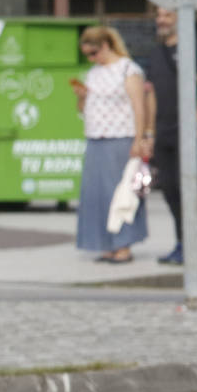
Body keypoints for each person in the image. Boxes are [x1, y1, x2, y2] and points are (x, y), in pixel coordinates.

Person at [143, 6, 197, 265]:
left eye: (167, 15)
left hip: (186, 133)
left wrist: (196, 123)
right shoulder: (156, 52)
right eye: (159, 15)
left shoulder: (193, 49)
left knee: (188, 191)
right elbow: (151, 95)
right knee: (170, 191)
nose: (161, 20)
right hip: (162, 133)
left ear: (179, 18)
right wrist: (148, 133)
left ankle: (191, 247)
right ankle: (181, 243)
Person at [70, 25, 149, 264]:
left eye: (93, 53)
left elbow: (139, 106)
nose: (91, 59)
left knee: (121, 193)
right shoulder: (93, 73)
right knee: (96, 195)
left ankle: (123, 244)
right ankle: (104, 243)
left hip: (120, 138)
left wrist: (139, 138)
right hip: (95, 137)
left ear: (105, 46)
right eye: (87, 55)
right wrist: (82, 97)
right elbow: (83, 110)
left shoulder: (128, 69)